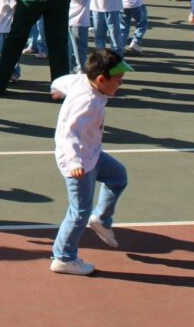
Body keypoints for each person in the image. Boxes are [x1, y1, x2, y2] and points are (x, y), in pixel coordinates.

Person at [49, 49, 132, 276]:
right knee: (79, 211)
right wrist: (75, 162)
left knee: (118, 176)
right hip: (79, 163)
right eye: (118, 80)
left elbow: (62, 81)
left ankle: (102, 219)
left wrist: (55, 88)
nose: (121, 83)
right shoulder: (87, 102)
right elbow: (69, 134)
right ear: (101, 79)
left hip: (92, 154)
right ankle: (63, 258)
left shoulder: (81, 81)